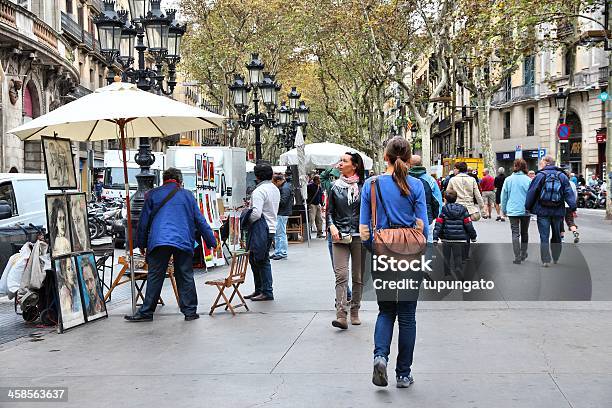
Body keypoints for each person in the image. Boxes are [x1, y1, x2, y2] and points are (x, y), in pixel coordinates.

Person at [359, 136, 428, 389]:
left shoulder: (372, 185)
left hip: (382, 254)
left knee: (386, 310)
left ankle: (380, 357)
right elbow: (423, 227)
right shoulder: (417, 185)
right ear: (409, 159)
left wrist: (376, 250)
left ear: (385, 157)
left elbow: (364, 229)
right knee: (408, 315)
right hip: (410, 255)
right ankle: (403, 374)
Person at [125, 168, 216, 322]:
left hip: (159, 240)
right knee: (185, 275)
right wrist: (211, 241)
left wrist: (141, 243)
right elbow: (200, 220)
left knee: (155, 276)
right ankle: (190, 311)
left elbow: (143, 222)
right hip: (182, 240)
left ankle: (146, 312)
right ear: (180, 181)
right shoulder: (188, 195)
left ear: (163, 180)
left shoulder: (152, 194)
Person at [327, 152, 365, 330]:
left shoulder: (365, 187)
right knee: (341, 275)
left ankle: (355, 310)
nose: (340, 163)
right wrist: (331, 226)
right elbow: (329, 212)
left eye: (344, 161)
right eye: (340, 160)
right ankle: (341, 315)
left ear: (355, 165)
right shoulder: (334, 187)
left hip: (359, 236)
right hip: (339, 236)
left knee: (357, 277)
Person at [525, 155, 576, 267]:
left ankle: (546, 260)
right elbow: (568, 192)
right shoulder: (562, 176)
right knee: (557, 234)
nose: (540, 164)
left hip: (542, 210)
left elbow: (532, 192)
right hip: (558, 211)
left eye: (541, 162)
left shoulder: (540, 175)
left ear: (547, 162)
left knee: (544, 236)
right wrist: (573, 206)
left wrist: (527, 207)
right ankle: (556, 257)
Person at [244, 163, 280, 301]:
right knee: (255, 258)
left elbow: (256, 213)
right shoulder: (274, 189)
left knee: (261, 259)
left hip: (261, 228)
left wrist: (246, 220)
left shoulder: (259, 191)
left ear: (257, 176)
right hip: (270, 227)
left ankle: (266, 291)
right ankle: (259, 289)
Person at [433, 190, 477, 278]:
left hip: (446, 238)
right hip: (460, 239)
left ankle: (447, 274)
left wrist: (435, 238)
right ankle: (458, 269)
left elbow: (438, 224)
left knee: (446, 257)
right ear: (456, 198)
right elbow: (468, 224)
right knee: (458, 256)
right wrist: (473, 236)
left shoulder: (443, 210)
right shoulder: (463, 209)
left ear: (445, 199)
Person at [446, 162, 484, 259]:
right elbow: (478, 195)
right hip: (469, 208)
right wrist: (482, 208)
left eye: (454, 168)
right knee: (467, 230)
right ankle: (465, 255)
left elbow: (448, 193)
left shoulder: (453, 180)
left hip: (456, 208)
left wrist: (446, 207)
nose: (454, 170)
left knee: (457, 229)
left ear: (458, 169)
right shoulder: (472, 180)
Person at [500, 159, 532, 264]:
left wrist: (503, 210)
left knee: (515, 233)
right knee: (524, 232)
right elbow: (531, 196)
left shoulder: (508, 180)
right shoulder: (528, 180)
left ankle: (517, 256)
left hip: (512, 210)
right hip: (525, 210)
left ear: (514, 167)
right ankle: (524, 253)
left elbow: (504, 196)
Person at [409, 155, 442, 242]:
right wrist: (435, 216)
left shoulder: (404, 179)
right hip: (427, 217)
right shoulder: (430, 180)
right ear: (421, 164)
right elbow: (438, 201)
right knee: (428, 244)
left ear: (409, 164)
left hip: (407, 218)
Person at [271, 174, 293, 260]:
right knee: (278, 233)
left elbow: (283, 201)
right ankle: (278, 251)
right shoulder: (285, 187)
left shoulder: (285, 188)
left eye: (275, 183)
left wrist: (274, 201)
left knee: (281, 233)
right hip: (281, 213)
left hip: (282, 213)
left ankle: (282, 252)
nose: (274, 185)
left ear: (279, 181)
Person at [560, 168, 580, 244]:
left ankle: (562, 238)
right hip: (570, 205)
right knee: (570, 221)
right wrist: (574, 206)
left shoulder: (560, 183)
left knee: (560, 222)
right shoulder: (572, 184)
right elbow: (575, 195)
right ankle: (575, 233)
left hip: (561, 205)